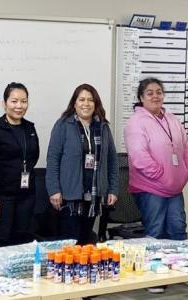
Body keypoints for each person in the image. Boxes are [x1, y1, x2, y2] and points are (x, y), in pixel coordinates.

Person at [124, 77, 188, 293]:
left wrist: (184, 171)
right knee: (156, 230)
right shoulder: (136, 122)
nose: (155, 96)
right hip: (151, 188)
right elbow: (139, 157)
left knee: (178, 228)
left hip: (174, 188)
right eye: (150, 93)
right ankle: (154, 277)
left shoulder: (172, 118)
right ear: (141, 98)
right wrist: (162, 175)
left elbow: (186, 148)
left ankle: (182, 269)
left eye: (159, 92)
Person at [46, 83, 118, 245]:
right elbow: (52, 159)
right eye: (82, 99)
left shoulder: (103, 127)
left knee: (86, 243)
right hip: (69, 197)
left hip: (93, 197)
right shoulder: (63, 125)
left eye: (90, 100)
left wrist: (113, 190)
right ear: (74, 103)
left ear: (96, 103)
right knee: (71, 245)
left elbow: (112, 161)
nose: (86, 104)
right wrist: (54, 190)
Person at [0, 82, 39, 246]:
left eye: (24, 101)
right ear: (4, 103)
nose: (19, 106)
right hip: (3, 197)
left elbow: (33, 157)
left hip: (26, 195)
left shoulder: (30, 128)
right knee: (2, 240)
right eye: (14, 101)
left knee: (22, 241)